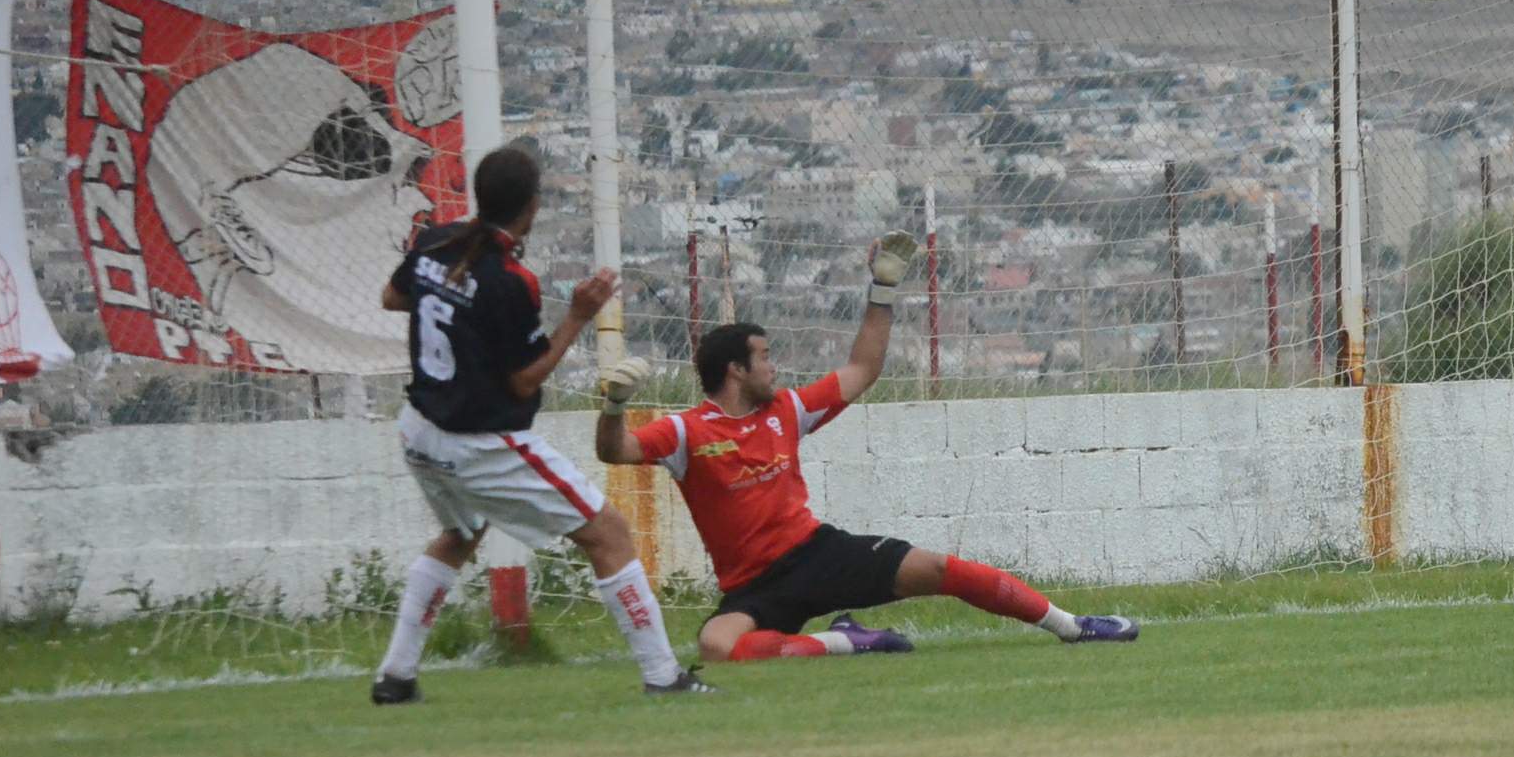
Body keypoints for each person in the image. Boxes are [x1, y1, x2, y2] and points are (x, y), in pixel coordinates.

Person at [593, 232, 1140, 664]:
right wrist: (614, 406)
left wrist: (882, 291)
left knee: (937, 568)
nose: (773, 365)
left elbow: (863, 368)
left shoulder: (787, 408)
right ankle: (848, 642)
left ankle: (1072, 626)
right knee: (716, 647)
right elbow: (615, 451)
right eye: (764, 356)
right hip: (754, 586)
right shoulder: (688, 431)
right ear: (736, 369)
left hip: (818, 554)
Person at [371, 145, 711, 702]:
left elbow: (393, 297)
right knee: (609, 534)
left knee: (461, 534)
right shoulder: (511, 281)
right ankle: (664, 676)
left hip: (419, 430)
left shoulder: (437, 240)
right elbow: (524, 382)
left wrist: (459, 317)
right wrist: (578, 314)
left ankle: (396, 677)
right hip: (481, 443)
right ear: (533, 206)